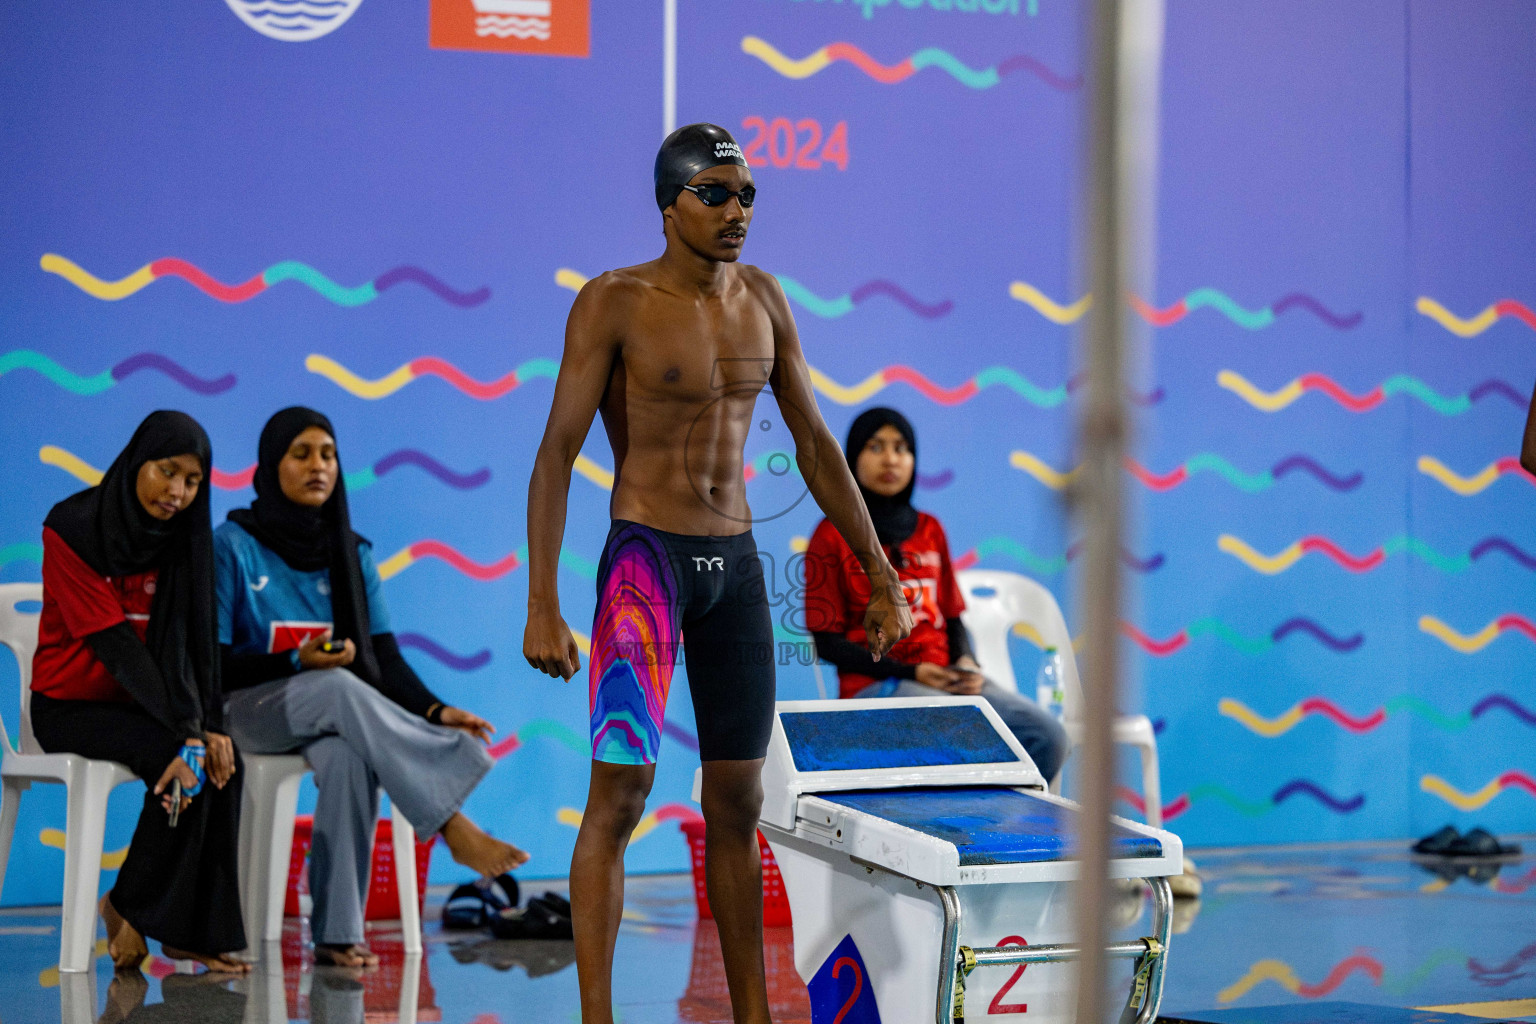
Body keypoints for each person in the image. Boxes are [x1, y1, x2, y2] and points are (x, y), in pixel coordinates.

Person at [523, 123, 913, 1024]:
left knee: (737, 801)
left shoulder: (764, 298)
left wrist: (878, 567)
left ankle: (753, 1016)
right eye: (716, 194)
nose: (737, 211)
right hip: (645, 564)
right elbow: (556, 454)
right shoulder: (612, 301)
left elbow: (816, 442)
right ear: (669, 207)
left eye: (747, 196)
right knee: (619, 796)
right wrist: (543, 601)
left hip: (733, 565)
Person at [216, 407, 527, 968]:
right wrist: (294, 660)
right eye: (302, 453)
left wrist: (436, 709)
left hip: (326, 714)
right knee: (333, 683)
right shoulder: (233, 546)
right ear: (270, 464)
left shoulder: (350, 552)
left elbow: (383, 655)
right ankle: (452, 822)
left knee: (349, 757)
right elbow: (210, 663)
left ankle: (336, 931)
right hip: (246, 710)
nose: (318, 466)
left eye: (328, 455)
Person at [30, 410, 247, 973]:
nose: (176, 492)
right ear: (135, 464)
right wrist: (188, 732)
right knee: (182, 757)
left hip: (144, 704)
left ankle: (183, 929)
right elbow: (118, 648)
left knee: (224, 762)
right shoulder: (72, 528)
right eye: (166, 471)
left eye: (192, 482)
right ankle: (127, 906)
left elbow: (201, 643)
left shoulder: (186, 538)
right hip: (69, 706)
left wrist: (211, 726)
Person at [805, 407, 1070, 782]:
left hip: (947, 680)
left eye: (901, 448)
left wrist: (966, 662)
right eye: (875, 446)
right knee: (963, 730)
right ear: (851, 458)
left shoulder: (931, 529)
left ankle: (990, 828)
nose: (890, 458)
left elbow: (953, 616)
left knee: (1047, 737)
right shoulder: (831, 535)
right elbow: (827, 644)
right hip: (878, 686)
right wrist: (911, 671)